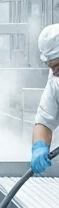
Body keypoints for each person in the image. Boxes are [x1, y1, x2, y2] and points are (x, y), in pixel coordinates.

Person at [30, 23, 59, 175]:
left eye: (57, 66)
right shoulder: (56, 80)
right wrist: (39, 146)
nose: (54, 72)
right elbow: (45, 121)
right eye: (50, 66)